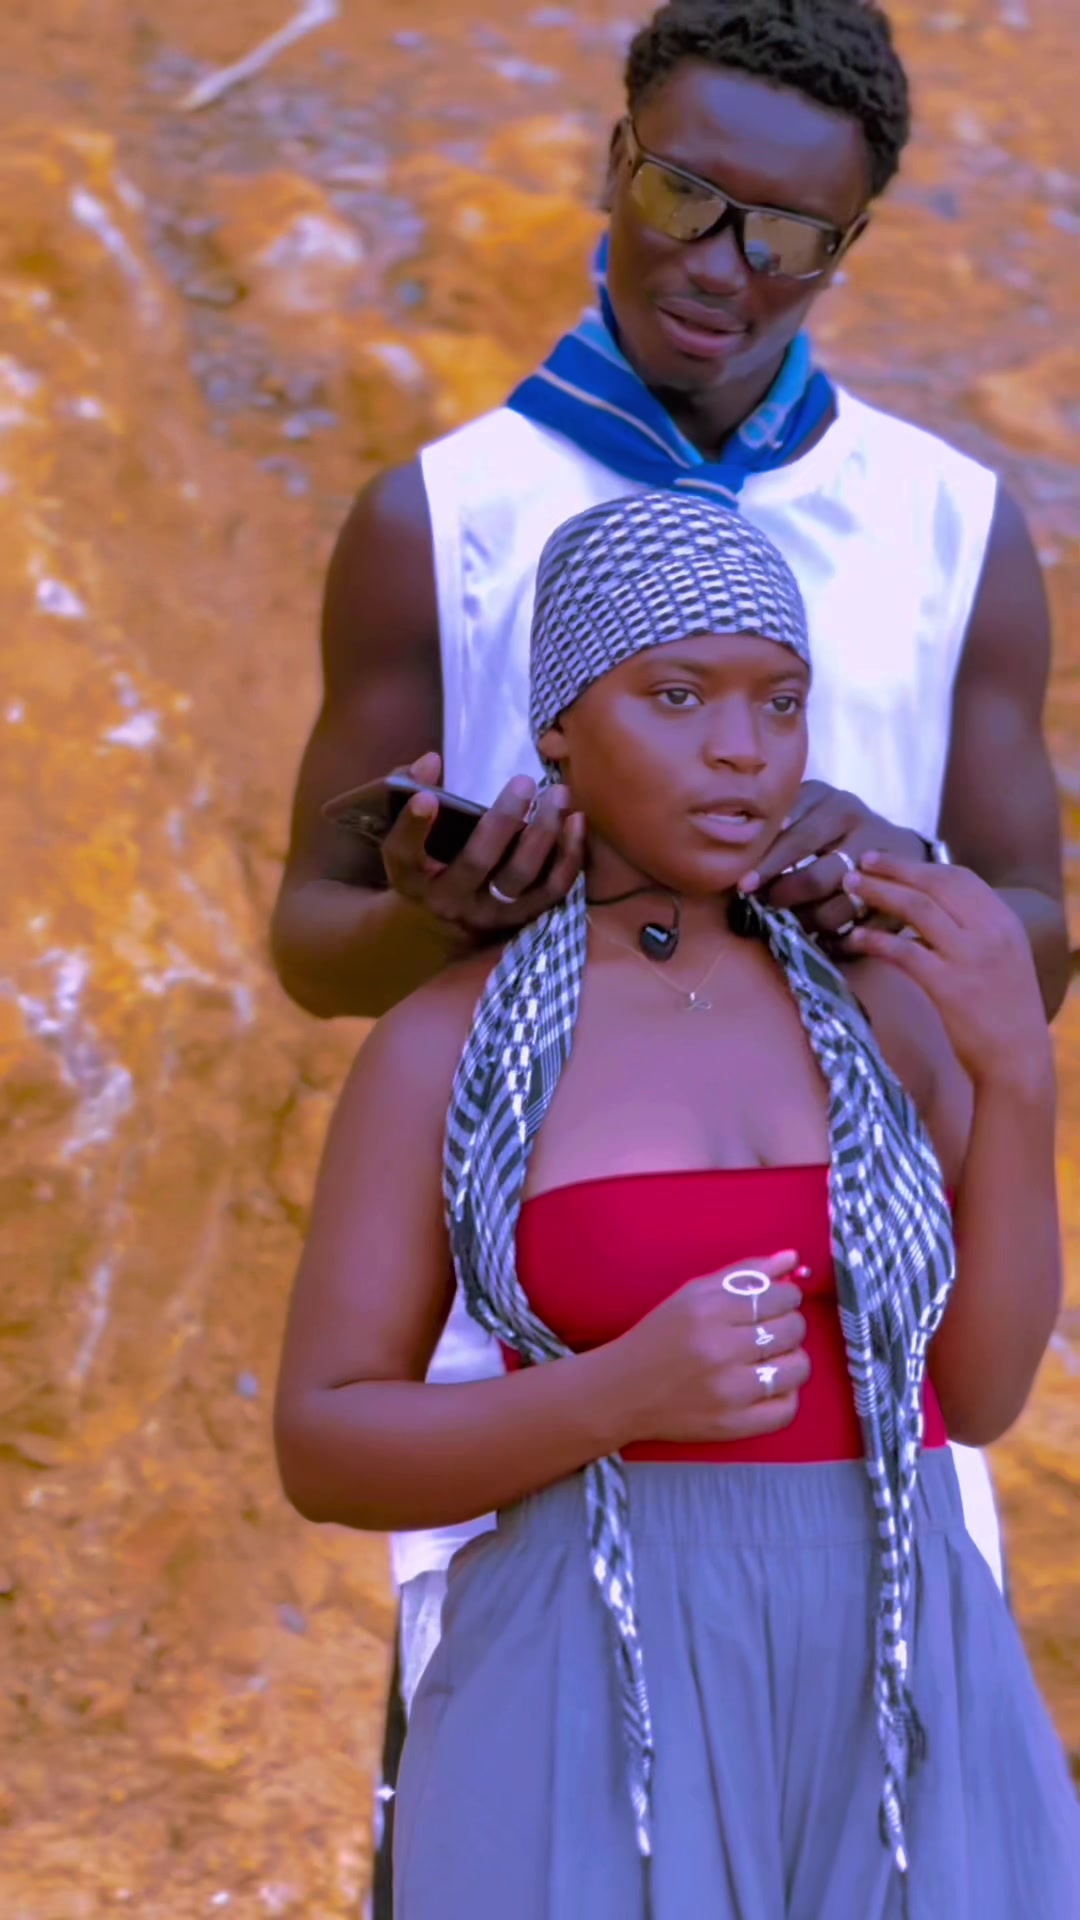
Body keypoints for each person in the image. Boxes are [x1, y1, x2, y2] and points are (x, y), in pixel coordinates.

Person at [268, 0, 1068, 1886]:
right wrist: (443, 921)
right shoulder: (444, 519)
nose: (722, 264)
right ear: (611, 160)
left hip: (864, 1321)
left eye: (790, 235)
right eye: (682, 195)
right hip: (539, 1343)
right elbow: (312, 938)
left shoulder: (950, 529)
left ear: (852, 239)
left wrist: (890, 881)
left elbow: (1032, 930)